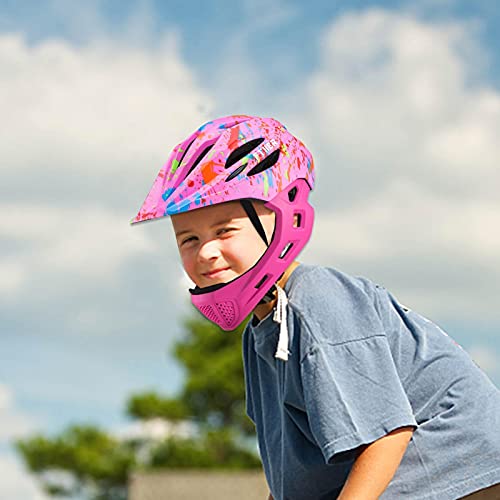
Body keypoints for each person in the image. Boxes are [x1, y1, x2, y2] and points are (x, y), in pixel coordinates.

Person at [131, 114, 500, 499]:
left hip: (464, 482)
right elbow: (290, 478)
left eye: (224, 230)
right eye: (188, 239)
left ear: (279, 220)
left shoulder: (316, 297)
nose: (206, 252)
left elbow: (388, 436)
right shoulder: (262, 332)